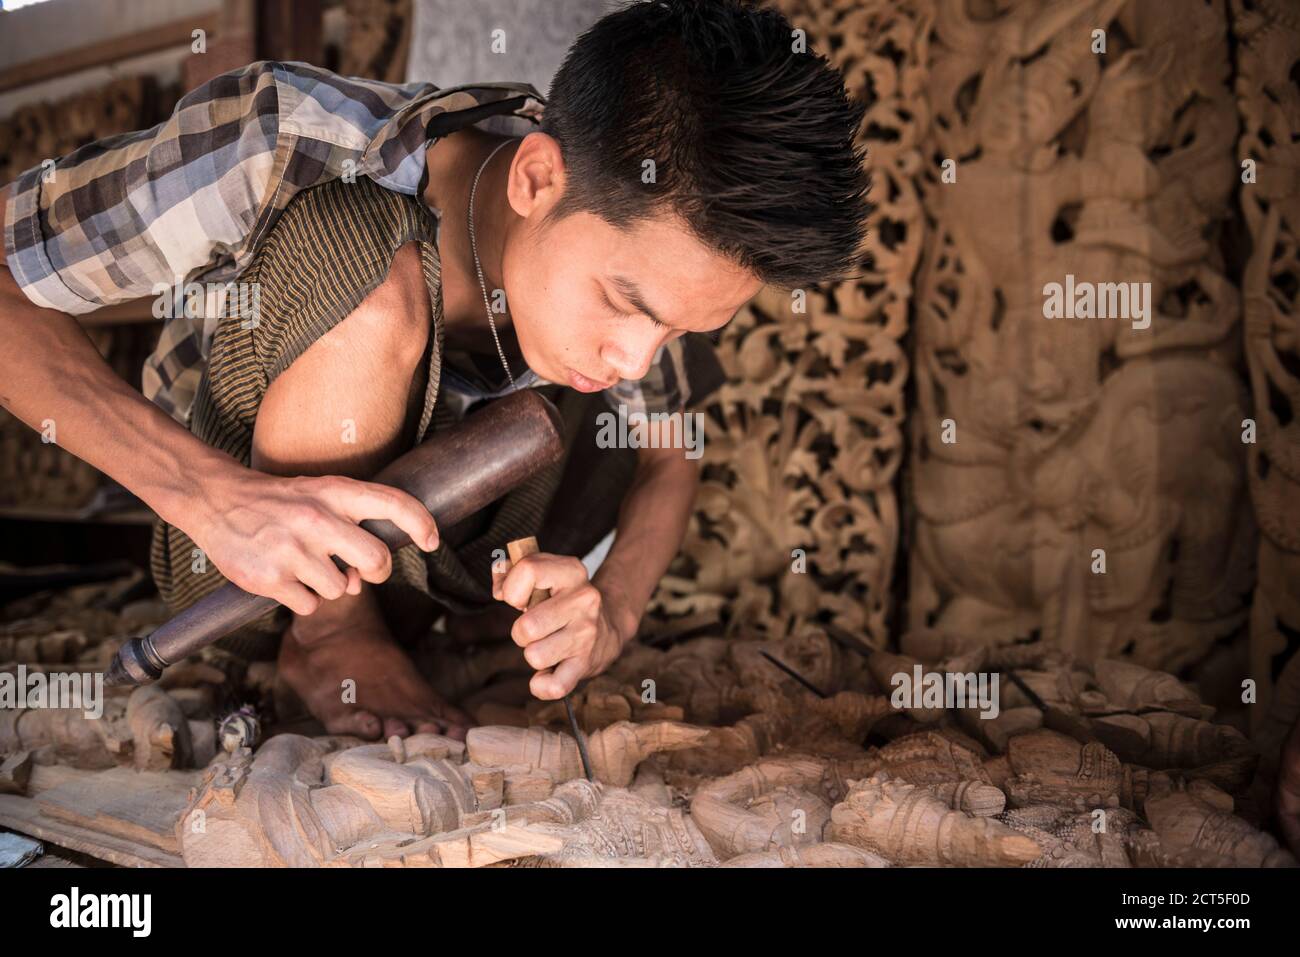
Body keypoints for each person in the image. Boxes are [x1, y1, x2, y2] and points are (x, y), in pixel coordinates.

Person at [0, 0, 871, 739]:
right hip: (242, 582)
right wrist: (207, 494)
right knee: (362, 252)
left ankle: (431, 643)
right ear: (537, 176)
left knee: (609, 403)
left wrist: (613, 611)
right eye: (624, 301)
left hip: (449, 590)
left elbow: (670, 452)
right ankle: (331, 639)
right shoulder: (284, 139)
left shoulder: (642, 283)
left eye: (679, 329)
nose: (637, 355)